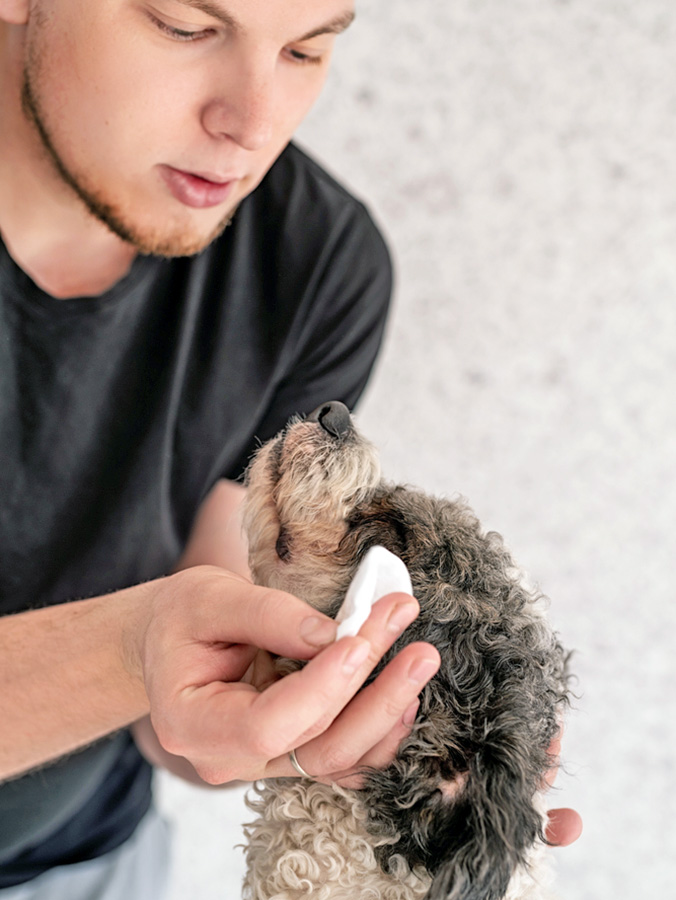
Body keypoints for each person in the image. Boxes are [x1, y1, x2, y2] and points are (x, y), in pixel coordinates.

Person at [0, 0, 582, 896]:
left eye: (307, 50)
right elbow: (151, 653)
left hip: (88, 864)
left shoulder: (316, 264)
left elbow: (186, 715)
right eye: (184, 27)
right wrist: (129, 651)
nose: (251, 127)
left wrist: (325, 729)